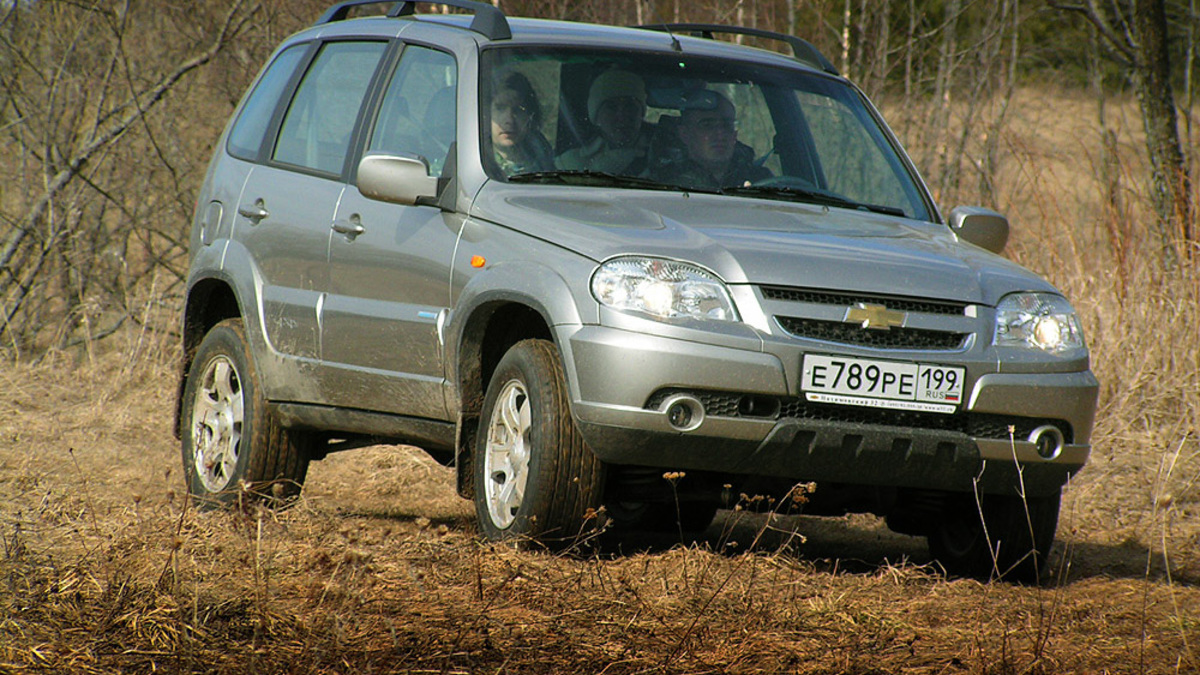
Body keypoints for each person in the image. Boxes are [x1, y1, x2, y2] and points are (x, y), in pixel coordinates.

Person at [649, 89, 771, 189]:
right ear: (685, 134)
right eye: (707, 125)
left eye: (727, 125)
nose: (720, 134)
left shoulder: (763, 182)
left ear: (735, 134)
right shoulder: (662, 184)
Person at [557, 69, 651, 174]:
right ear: (596, 117)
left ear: (641, 114)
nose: (622, 116)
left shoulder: (665, 155)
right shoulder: (570, 163)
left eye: (630, 106)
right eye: (611, 107)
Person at [489, 70, 554, 175]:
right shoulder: (472, 160)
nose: (509, 120)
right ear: (485, 114)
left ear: (530, 116)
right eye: (500, 108)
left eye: (518, 110)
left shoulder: (544, 156)